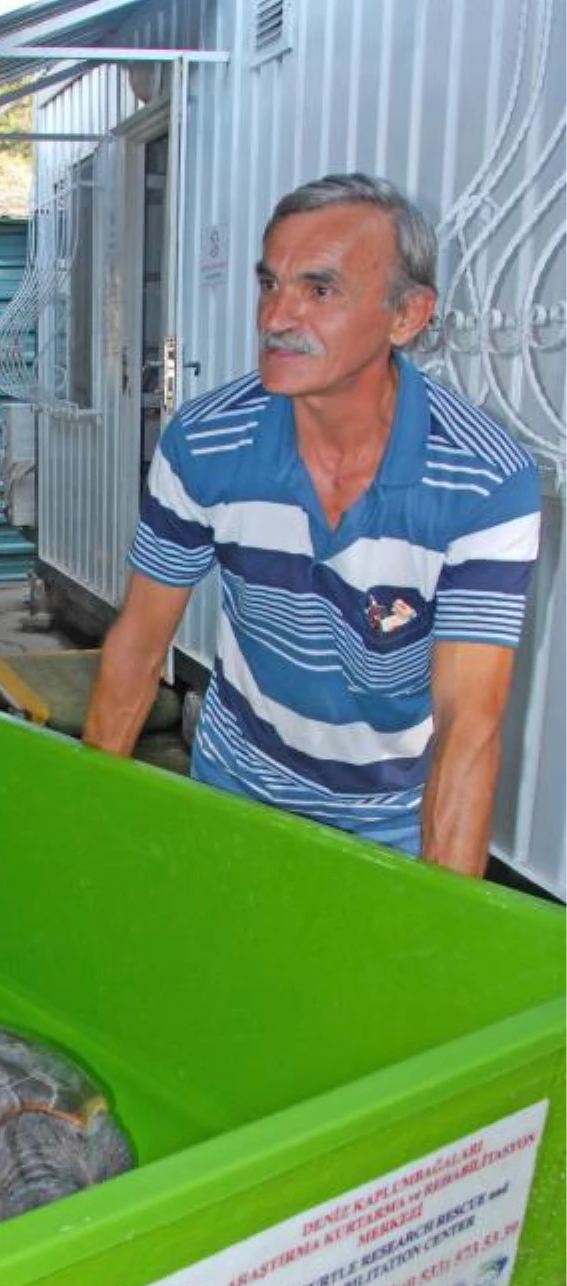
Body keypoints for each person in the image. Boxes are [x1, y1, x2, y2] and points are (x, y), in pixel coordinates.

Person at [84, 173, 541, 875]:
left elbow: (468, 729)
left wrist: (445, 923)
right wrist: (85, 830)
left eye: (319, 291)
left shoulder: (484, 481)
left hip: (393, 820)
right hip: (237, 789)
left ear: (408, 316)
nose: (276, 317)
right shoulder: (206, 445)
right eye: (270, 284)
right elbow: (139, 646)